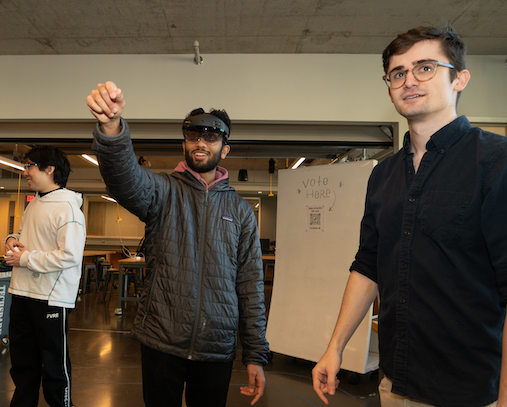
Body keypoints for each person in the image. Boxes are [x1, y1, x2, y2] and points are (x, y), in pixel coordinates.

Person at [312, 25, 507, 407]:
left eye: (425, 68)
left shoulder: (495, 161)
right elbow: (367, 265)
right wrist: (335, 347)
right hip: (394, 383)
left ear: (459, 79)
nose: (409, 81)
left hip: (469, 392)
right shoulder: (383, 174)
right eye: (398, 73)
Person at [87, 81, 270, 407]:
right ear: (184, 143)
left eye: (211, 136)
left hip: (216, 346)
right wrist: (111, 128)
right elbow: (123, 177)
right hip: (161, 340)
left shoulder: (241, 212)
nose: (201, 142)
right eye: (193, 134)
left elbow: (250, 286)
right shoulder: (163, 192)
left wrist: (255, 353)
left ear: (224, 148)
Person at [4, 146, 86, 407]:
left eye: (30, 165)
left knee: (53, 366)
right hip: (22, 292)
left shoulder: (68, 208)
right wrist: (11, 241)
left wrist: (25, 259)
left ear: (49, 169)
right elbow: (24, 235)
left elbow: (70, 256)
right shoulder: (35, 202)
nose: (25, 171)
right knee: (22, 363)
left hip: (50, 298)